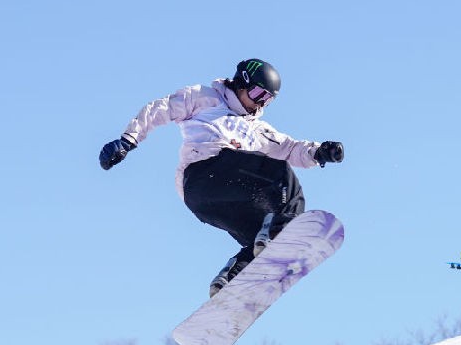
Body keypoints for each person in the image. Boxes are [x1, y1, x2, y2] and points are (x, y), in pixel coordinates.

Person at [99, 58, 344, 297]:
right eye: (259, 94)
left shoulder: (258, 129)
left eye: (268, 100)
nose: (260, 104)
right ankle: (283, 232)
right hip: (204, 172)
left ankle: (232, 279)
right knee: (281, 176)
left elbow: (291, 148)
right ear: (241, 83)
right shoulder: (205, 98)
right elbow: (159, 109)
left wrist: (319, 151)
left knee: (260, 237)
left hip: (210, 201)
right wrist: (128, 140)